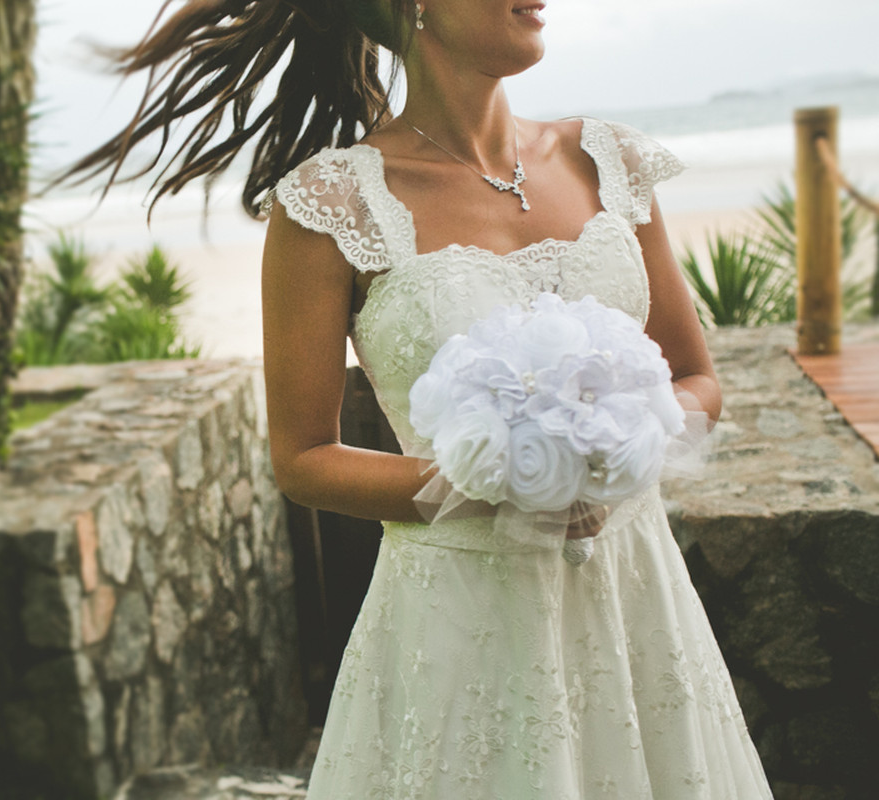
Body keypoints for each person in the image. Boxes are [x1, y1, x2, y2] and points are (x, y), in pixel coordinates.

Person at [63, 1, 774, 796]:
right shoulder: (331, 205)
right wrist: (494, 488)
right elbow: (302, 460)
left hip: (637, 603)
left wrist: (611, 451)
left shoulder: (604, 161)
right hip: (465, 625)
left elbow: (698, 381)